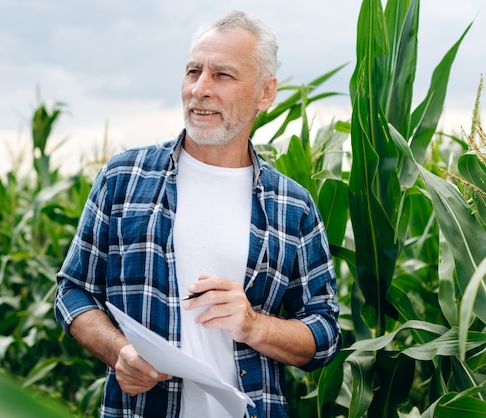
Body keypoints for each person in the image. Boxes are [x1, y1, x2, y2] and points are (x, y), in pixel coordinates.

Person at [55, 9, 341, 418]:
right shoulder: (124, 178)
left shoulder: (292, 206)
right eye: (193, 72)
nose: (200, 89)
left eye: (222, 75)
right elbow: (72, 291)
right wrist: (121, 352)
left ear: (265, 92)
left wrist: (253, 325)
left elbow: (325, 333)